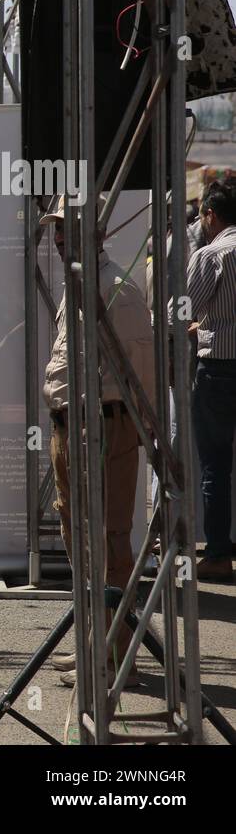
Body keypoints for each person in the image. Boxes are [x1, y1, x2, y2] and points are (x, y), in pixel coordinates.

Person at [38, 196, 154, 684]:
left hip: (106, 425)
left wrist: (146, 433)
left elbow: (142, 372)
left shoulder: (119, 291)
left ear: (99, 232)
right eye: (58, 230)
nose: (61, 237)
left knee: (109, 539)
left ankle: (115, 655)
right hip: (70, 424)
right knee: (77, 538)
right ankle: (94, 643)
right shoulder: (78, 283)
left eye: (71, 228)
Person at [187, 180, 236, 582]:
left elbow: (179, 310)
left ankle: (218, 554)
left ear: (211, 215)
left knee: (215, 463)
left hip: (219, 368)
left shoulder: (211, 254)